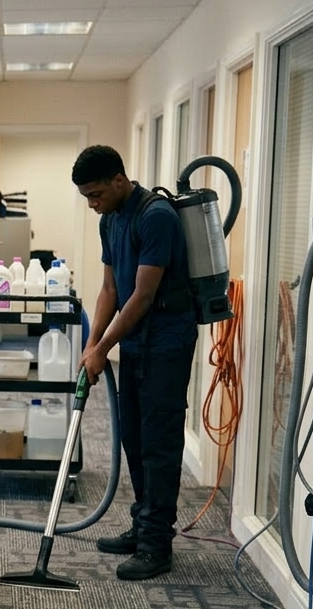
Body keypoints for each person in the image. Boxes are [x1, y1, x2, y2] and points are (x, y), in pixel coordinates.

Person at [73, 145, 197, 581]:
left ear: (120, 180)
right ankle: (142, 523)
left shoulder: (156, 216)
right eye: (86, 197)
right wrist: (92, 344)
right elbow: (110, 289)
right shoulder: (111, 220)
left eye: (96, 194)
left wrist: (104, 347)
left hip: (167, 341)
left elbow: (143, 295)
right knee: (133, 436)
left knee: (158, 443)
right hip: (136, 343)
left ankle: (156, 544)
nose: (92, 205)